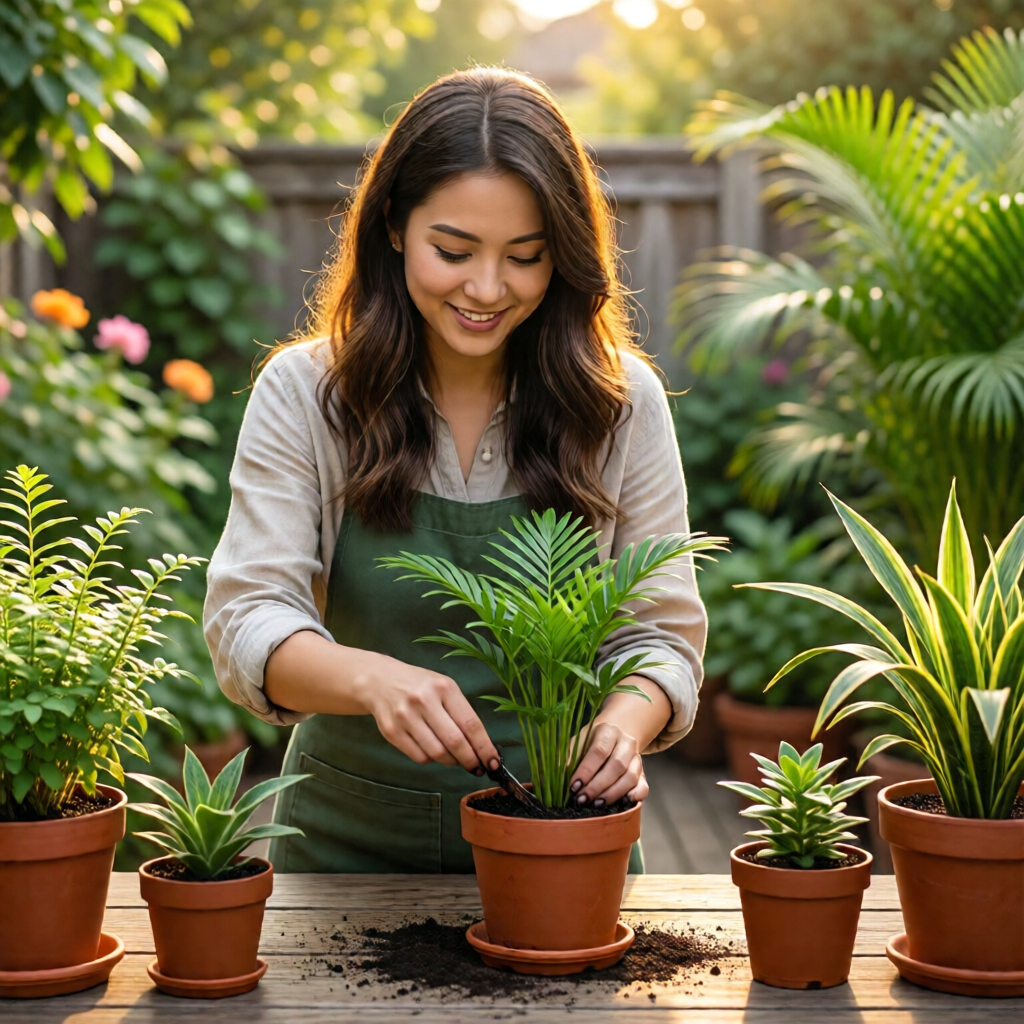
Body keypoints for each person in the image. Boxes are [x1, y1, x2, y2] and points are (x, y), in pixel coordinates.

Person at [203, 68, 707, 873]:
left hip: (563, 849)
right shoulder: (306, 394)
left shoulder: (620, 402)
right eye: (454, 250)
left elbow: (660, 636)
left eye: (525, 257)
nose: (486, 288)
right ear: (395, 226)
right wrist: (372, 680)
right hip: (340, 850)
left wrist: (625, 724)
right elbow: (248, 618)